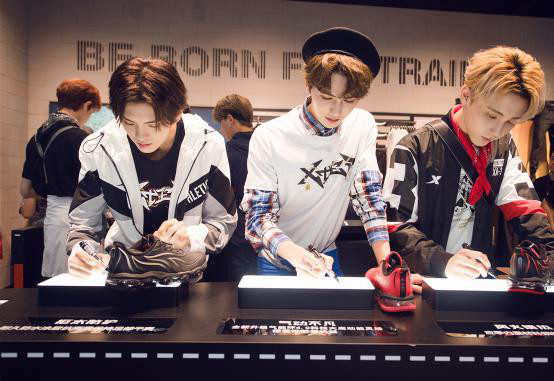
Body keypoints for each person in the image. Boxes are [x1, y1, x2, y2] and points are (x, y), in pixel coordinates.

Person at [241, 27, 417, 301]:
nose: (337, 110)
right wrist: (295, 254)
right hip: (278, 260)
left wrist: (387, 265)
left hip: (326, 257)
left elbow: (369, 200)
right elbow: (257, 217)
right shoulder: (270, 136)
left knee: (335, 325)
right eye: (326, 97)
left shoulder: (362, 125)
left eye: (349, 100)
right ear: (308, 86)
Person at [383, 46, 554, 280]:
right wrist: (442, 261)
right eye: (491, 115)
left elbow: (527, 212)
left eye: (511, 122)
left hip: (476, 282)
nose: (498, 130)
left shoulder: (504, 148)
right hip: (421, 282)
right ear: (466, 95)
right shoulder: (414, 146)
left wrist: (549, 255)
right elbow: (394, 226)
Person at [66, 57, 237, 278]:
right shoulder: (99, 149)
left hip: (185, 271)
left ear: (178, 114)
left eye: (153, 124)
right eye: (129, 123)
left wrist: (192, 236)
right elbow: (82, 225)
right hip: (122, 270)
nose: (140, 135)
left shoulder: (207, 144)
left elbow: (223, 221)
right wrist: (81, 251)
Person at [20, 78, 101, 278]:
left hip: (54, 218)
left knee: (57, 279)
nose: (88, 118)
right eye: (91, 112)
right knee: (82, 277)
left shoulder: (36, 139)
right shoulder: (82, 140)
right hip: (81, 219)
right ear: (86, 105)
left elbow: (25, 190)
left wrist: (53, 191)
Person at [207, 94, 257, 281]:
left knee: (230, 291)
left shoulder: (227, 154)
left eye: (221, 123)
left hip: (235, 239)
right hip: (266, 236)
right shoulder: (266, 148)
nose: (221, 129)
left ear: (230, 119)